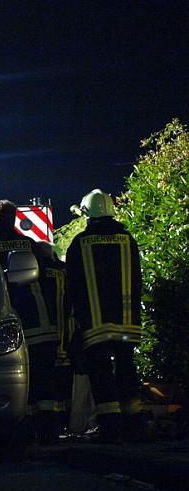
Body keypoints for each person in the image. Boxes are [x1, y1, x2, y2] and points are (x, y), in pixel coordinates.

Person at [65, 189, 143, 442]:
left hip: (95, 324)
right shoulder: (128, 239)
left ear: (87, 214)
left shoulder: (79, 243)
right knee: (126, 369)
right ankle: (133, 424)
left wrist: (73, 319)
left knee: (101, 372)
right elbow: (138, 280)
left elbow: (72, 284)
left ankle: (110, 427)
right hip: (127, 322)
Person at [0, 199, 62, 442]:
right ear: (15, 218)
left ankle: (24, 431)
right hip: (42, 323)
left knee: (20, 382)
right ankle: (49, 432)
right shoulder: (30, 245)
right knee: (45, 382)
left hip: (12, 327)